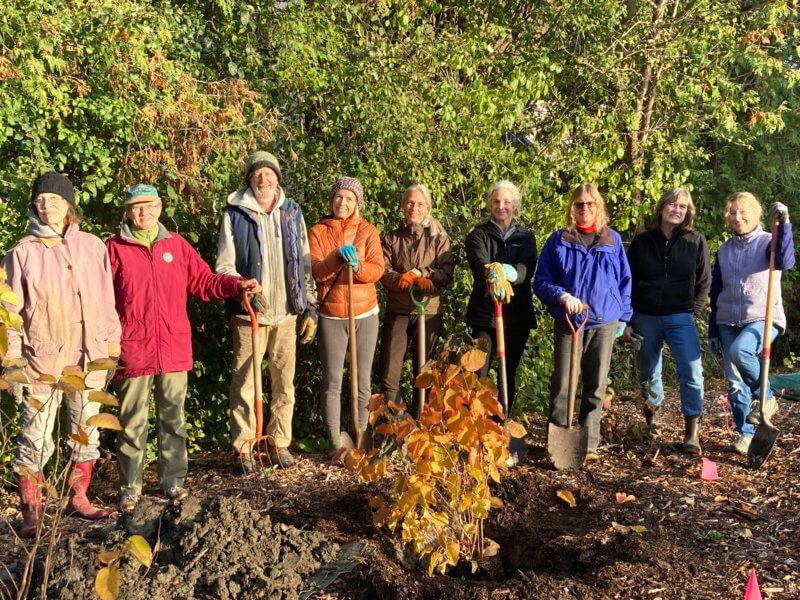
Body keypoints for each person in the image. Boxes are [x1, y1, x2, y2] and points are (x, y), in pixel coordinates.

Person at [107, 184, 260, 512]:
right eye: (136, 207)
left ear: (160, 207)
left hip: (173, 347)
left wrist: (236, 284)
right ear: (127, 212)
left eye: (149, 205)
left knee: (173, 418)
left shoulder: (175, 245)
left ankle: (173, 481)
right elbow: (101, 300)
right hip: (133, 349)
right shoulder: (114, 249)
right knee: (132, 420)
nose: (143, 212)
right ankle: (129, 488)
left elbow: (204, 281)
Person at [2, 171, 121, 537]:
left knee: (86, 432)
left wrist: (111, 345)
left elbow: (106, 300)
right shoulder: (21, 253)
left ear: (68, 205)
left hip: (90, 358)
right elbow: (7, 314)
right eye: (40, 200)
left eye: (53, 199)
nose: (46, 205)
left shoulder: (93, 247)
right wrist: (11, 361)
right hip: (41, 362)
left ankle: (78, 499)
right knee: (34, 438)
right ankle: (32, 512)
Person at [216, 151, 317, 472]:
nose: (264, 179)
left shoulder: (292, 212)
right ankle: (244, 446)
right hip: (249, 314)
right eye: (257, 174)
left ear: (277, 178)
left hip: (286, 314)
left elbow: (305, 262)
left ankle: (279, 443)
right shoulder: (235, 214)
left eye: (269, 173)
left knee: (284, 383)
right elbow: (224, 265)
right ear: (249, 179)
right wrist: (243, 286)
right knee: (245, 381)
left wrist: (310, 306)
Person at [533, 183, 632, 462]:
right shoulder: (558, 240)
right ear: (571, 209)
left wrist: (624, 316)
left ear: (598, 207)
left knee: (595, 384)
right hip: (569, 320)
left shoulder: (612, 240)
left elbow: (625, 281)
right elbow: (541, 281)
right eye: (579, 204)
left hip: (603, 321)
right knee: (563, 382)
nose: (585, 209)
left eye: (590, 204)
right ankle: (558, 441)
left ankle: (588, 444)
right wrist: (562, 295)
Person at [623, 188, 711, 453]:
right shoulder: (642, 242)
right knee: (649, 372)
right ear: (661, 208)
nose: (677, 209)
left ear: (688, 212)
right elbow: (628, 282)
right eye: (672, 204)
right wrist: (627, 319)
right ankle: (652, 426)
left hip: (680, 315)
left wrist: (691, 311)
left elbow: (704, 281)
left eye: (683, 206)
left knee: (692, 371)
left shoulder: (695, 240)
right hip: (645, 315)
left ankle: (691, 433)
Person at [709, 193, 795, 455]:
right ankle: (744, 434)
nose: (738, 217)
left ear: (756, 213)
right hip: (727, 320)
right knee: (735, 384)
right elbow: (716, 292)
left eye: (743, 211)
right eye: (733, 213)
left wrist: (784, 223)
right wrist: (713, 329)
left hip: (762, 316)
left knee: (740, 351)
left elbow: (786, 260)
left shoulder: (770, 243)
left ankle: (767, 398)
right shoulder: (724, 250)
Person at [309, 177, 384, 452]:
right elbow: (316, 271)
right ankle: (334, 440)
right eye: (339, 197)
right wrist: (337, 258)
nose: (343, 202)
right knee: (332, 381)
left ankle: (361, 433)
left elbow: (377, 270)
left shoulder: (367, 230)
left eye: (349, 199)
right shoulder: (317, 231)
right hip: (332, 314)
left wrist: (357, 266)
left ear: (357, 204)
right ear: (331, 200)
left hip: (365, 313)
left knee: (363, 379)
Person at [379, 184, 454, 413]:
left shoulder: (439, 238)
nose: (414, 207)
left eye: (420, 204)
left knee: (424, 373)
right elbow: (382, 270)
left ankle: (422, 424)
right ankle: (401, 425)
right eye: (410, 202)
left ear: (428, 207)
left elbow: (447, 272)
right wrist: (402, 278)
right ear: (403, 206)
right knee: (388, 375)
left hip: (428, 311)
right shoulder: (392, 238)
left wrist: (424, 274)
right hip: (398, 310)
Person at [465, 180, 537, 415]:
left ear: (514, 205)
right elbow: (479, 262)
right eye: (496, 201)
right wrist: (491, 271)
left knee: (508, 372)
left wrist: (508, 272)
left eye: (506, 201)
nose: (501, 206)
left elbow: (526, 269)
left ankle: (500, 422)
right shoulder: (478, 234)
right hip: (485, 314)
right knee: (479, 370)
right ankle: (476, 423)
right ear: (489, 204)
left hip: (516, 315)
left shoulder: (526, 237)